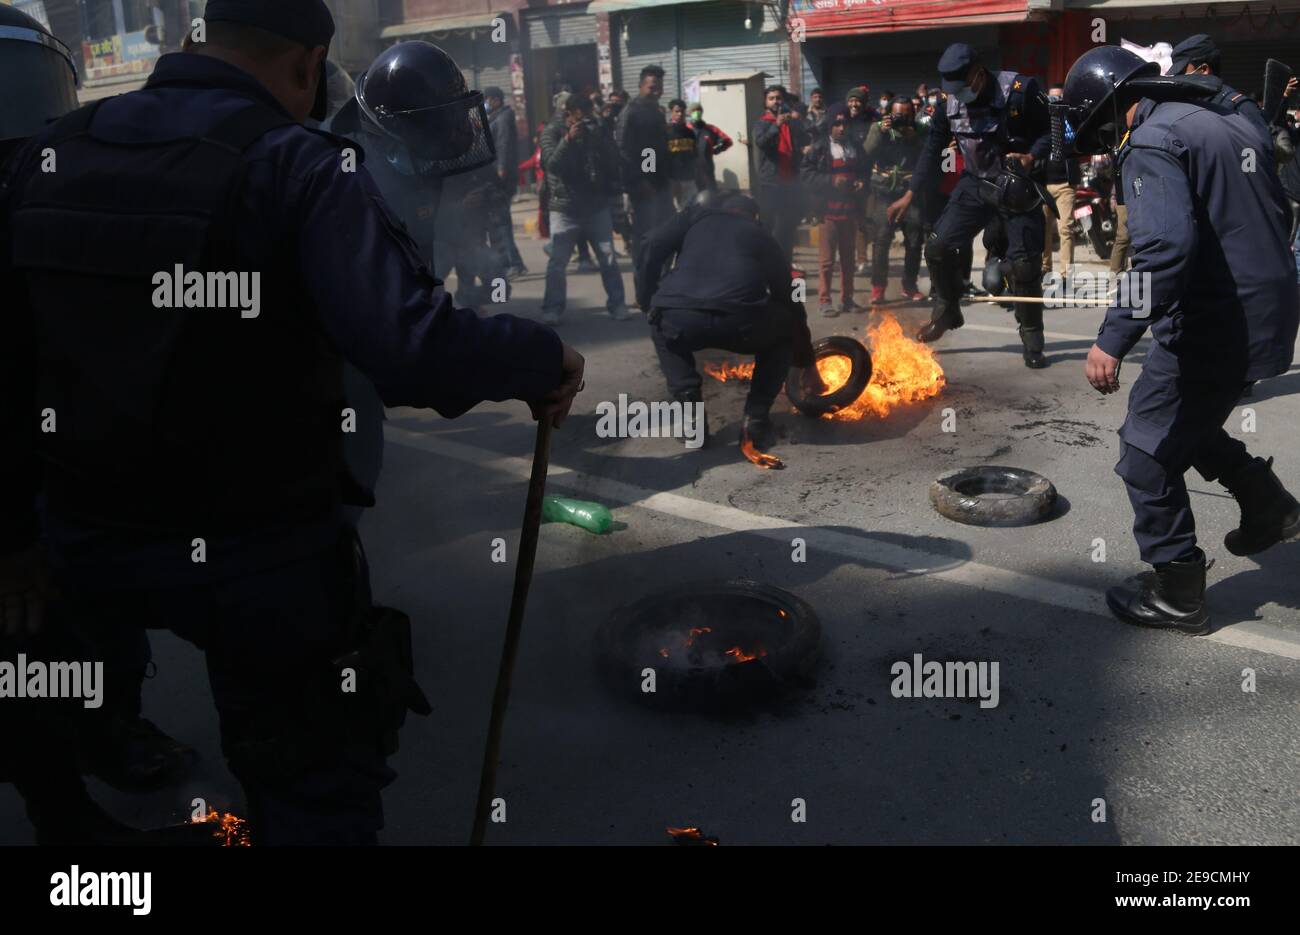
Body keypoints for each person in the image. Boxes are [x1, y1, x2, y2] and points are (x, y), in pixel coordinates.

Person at [0, 0, 585, 845]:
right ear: (310, 65)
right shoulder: (299, 164)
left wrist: (13, 535)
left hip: (85, 534)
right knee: (314, 783)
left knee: (58, 698)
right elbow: (408, 346)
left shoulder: (56, 150)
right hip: (255, 550)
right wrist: (540, 360)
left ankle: (73, 814)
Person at [1061, 46, 1300, 632]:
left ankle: (1178, 591)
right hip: (1264, 308)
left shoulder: (1150, 142)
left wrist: (1113, 337)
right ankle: (1267, 504)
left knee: (1145, 450)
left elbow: (1165, 249)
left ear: (1113, 108)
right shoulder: (1227, 115)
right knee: (1185, 420)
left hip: (1215, 321)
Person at [890, 43, 1053, 368]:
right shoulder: (947, 105)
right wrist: (909, 194)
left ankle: (1032, 336)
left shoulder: (1020, 91)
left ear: (979, 74)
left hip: (1016, 185)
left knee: (1024, 266)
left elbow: (1055, 130)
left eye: (964, 86)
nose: (959, 94)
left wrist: (1032, 156)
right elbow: (932, 150)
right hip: (975, 184)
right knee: (937, 247)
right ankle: (948, 309)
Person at [639, 193, 822, 456]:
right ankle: (756, 420)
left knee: (662, 326)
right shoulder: (761, 235)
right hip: (739, 321)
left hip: (680, 316)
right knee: (783, 330)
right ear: (755, 217)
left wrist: (647, 298)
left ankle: (691, 422)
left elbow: (650, 243)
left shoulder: (694, 217)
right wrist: (806, 360)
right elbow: (790, 299)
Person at [540, 92, 630, 325]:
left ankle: (618, 305)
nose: (583, 122)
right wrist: (568, 140)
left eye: (588, 116)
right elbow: (551, 164)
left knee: (608, 259)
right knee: (558, 263)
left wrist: (601, 134)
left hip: (596, 205)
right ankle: (552, 308)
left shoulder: (595, 130)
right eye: (580, 117)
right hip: (565, 207)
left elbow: (613, 162)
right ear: (568, 114)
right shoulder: (552, 131)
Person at [802, 104, 865, 316]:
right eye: (837, 123)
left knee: (848, 260)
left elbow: (865, 171)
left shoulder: (855, 147)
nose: (841, 128)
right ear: (830, 126)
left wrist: (862, 183)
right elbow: (806, 175)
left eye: (845, 123)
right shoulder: (819, 148)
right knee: (827, 261)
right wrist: (831, 180)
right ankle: (824, 300)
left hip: (850, 212)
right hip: (827, 213)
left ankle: (847, 299)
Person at [863, 97, 927, 303]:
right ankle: (878, 287)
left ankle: (909, 285)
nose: (903, 118)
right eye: (898, 114)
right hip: (885, 192)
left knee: (915, 241)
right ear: (890, 113)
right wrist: (879, 131)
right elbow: (866, 153)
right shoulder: (879, 128)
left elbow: (928, 155)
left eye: (907, 114)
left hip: (909, 194)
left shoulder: (920, 129)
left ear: (914, 113)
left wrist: (914, 138)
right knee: (881, 240)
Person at [617, 65, 672, 290]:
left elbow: (660, 149)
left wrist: (671, 179)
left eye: (659, 86)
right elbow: (624, 150)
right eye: (652, 86)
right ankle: (644, 289)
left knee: (667, 237)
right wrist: (642, 180)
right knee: (645, 240)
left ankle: (663, 283)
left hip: (662, 184)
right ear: (641, 86)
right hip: (644, 187)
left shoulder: (658, 111)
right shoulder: (632, 111)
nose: (656, 90)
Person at [752, 83, 808, 263]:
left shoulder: (790, 124)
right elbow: (761, 143)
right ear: (765, 103)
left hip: (789, 183)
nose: (776, 101)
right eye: (771, 98)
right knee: (769, 227)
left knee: (787, 227)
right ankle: (767, 266)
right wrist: (776, 125)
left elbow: (797, 146)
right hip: (770, 184)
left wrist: (803, 149)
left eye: (779, 98)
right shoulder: (762, 123)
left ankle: (785, 265)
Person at [484, 86, 527, 277]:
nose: (485, 103)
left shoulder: (502, 119)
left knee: (502, 223)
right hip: (497, 177)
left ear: (495, 100)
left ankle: (514, 264)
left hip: (501, 179)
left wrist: (500, 171)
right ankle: (511, 262)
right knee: (499, 222)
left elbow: (503, 146)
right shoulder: (497, 117)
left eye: (486, 99)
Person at [1042, 83, 1081, 284]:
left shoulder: (1070, 121)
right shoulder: (1041, 121)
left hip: (1065, 183)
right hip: (1044, 183)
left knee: (1066, 228)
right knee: (1044, 229)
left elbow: (1077, 141)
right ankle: (1045, 268)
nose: (1055, 103)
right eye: (1052, 99)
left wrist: (1064, 119)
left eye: (1059, 99)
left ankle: (1066, 274)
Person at [688, 102, 732, 193]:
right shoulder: (685, 129)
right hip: (690, 172)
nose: (696, 112)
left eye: (699, 110)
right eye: (693, 110)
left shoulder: (711, 129)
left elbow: (728, 141)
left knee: (710, 197)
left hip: (707, 170)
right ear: (689, 113)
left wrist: (716, 150)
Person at [666, 97, 698, 209]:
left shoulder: (690, 133)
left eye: (682, 112)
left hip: (689, 178)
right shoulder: (665, 132)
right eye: (676, 111)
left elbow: (695, 155)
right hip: (671, 179)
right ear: (671, 113)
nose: (679, 114)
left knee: (690, 209)